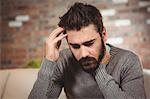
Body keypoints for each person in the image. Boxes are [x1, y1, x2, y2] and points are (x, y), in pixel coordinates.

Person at [28, 2, 146, 99]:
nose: (83, 54)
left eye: (89, 43)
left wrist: (98, 69)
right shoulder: (63, 61)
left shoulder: (127, 61)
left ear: (103, 34)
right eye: (75, 46)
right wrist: (49, 61)